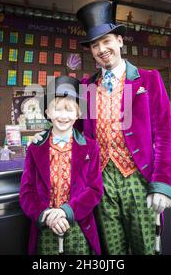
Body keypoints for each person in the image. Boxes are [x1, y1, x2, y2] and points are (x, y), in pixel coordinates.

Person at [76, 0, 171, 254]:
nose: (102, 49)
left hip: (137, 178)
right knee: (112, 251)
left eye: (106, 41)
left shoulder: (149, 80)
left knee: (145, 247)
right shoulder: (87, 87)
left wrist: (163, 183)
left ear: (120, 41)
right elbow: (76, 132)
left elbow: (164, 135)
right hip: (101, 180)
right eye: (95, 45)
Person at [19, 76, 103, 255]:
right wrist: (45, 215)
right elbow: (27, 192)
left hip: (78, 226)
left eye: (69, 110)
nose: (63, 116)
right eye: (57, 109)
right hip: (45, 228)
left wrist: (67, 211)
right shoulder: (36, 147)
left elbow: (95, 190)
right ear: (48, 112)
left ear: (78, 114)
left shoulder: (90, 147)